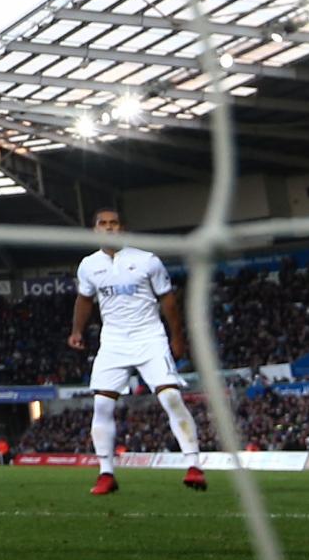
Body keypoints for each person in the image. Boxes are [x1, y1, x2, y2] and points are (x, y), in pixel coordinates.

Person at [69, 208, 206, 496]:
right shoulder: (88, 265)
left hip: (149, 338)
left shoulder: (147, 260)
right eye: (103, 224)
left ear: (123, 228)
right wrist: (77, 331)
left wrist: (176, 337)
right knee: (102, 406)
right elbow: (84, 300)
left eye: (114, 223)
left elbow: (168, 301)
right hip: (113, 342)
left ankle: (194, 466)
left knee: (170, 396)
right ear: (95, 230)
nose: (109, 228)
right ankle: (106, 474)